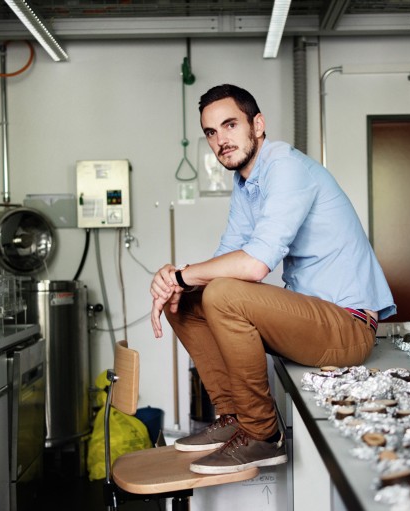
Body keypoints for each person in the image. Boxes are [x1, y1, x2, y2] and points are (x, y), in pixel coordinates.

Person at [150, 84, 395, 475]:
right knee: (186, 301)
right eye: (211, 132)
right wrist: (172, 281)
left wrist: (182, 274)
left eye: (230, 125)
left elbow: (254, 266)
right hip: (311, 320)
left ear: (258, 125)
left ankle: (262, 435)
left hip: (349, 326)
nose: (220, 140)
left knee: (222, 294)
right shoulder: (246, 184)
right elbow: (222, 262)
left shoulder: (284, 165)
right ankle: (232, 417)